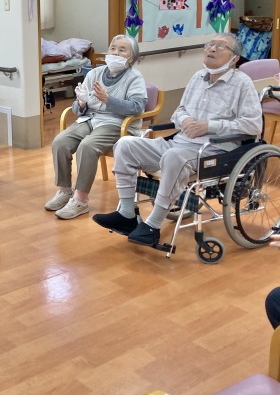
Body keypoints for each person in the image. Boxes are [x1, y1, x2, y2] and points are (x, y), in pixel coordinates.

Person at [93, 33, 262, 246]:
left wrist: (209, 126)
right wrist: (186, 120)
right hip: (179, 142)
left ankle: (153, 225)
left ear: (234, 58)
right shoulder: (198, 77)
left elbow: (253, 125)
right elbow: (179, 111)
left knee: (174, 156)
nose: (211, 49)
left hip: (214, 151)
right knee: (125, 144)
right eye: (210, 44)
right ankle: (126, 214)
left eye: (220, 47)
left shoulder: (242, 84)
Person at [44, 35, 147, 219]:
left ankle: (80, 200)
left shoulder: (135, 78)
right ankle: (65, 191)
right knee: (60, 142)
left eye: (122, 50)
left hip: (117, 123)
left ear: (131, 57)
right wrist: (81, 103)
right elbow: (78, 109)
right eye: (113, 48)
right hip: (90, 119)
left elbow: (137, 107)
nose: (115, 52)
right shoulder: (94, 74)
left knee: (87, 146)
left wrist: (109, 100)